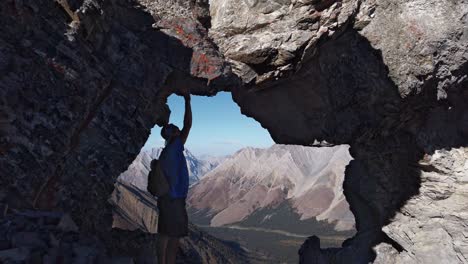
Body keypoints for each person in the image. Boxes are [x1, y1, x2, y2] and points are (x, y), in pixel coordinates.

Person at [157, 92, 192, 264]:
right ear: (173, 135)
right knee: (174, 238)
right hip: (175, 200)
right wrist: (187, 101)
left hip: (165, 199)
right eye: (176, 129)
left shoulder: (165, 152)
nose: (179, 130)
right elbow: (188, 125)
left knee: (164, 233)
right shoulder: (175, 147)